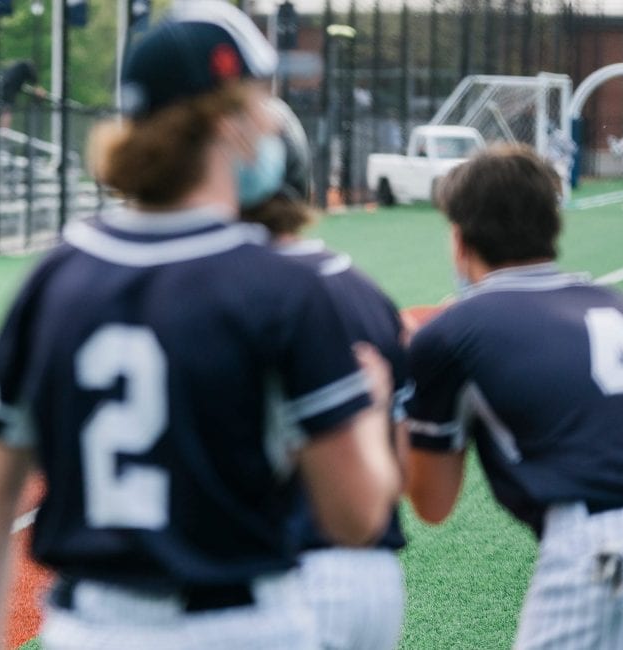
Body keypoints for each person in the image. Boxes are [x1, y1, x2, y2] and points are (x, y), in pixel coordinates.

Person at [0, 4, 400, 648]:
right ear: (227, 121)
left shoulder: (56, 276)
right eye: (257, 99)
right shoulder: (281, 286)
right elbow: (357, 516)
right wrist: (373, 409)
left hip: (89, 627)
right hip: (238, 624)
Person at [404, 143, 623, 649]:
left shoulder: (455, 332)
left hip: (606, 549)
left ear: (460, 237)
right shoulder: (615, 304)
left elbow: (432, 502)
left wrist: (399, 393)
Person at [240, 97, 409, 650]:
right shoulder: (366, 293)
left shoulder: (204, 291)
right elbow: (401, 470)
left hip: (264, 573)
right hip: (369, 580)